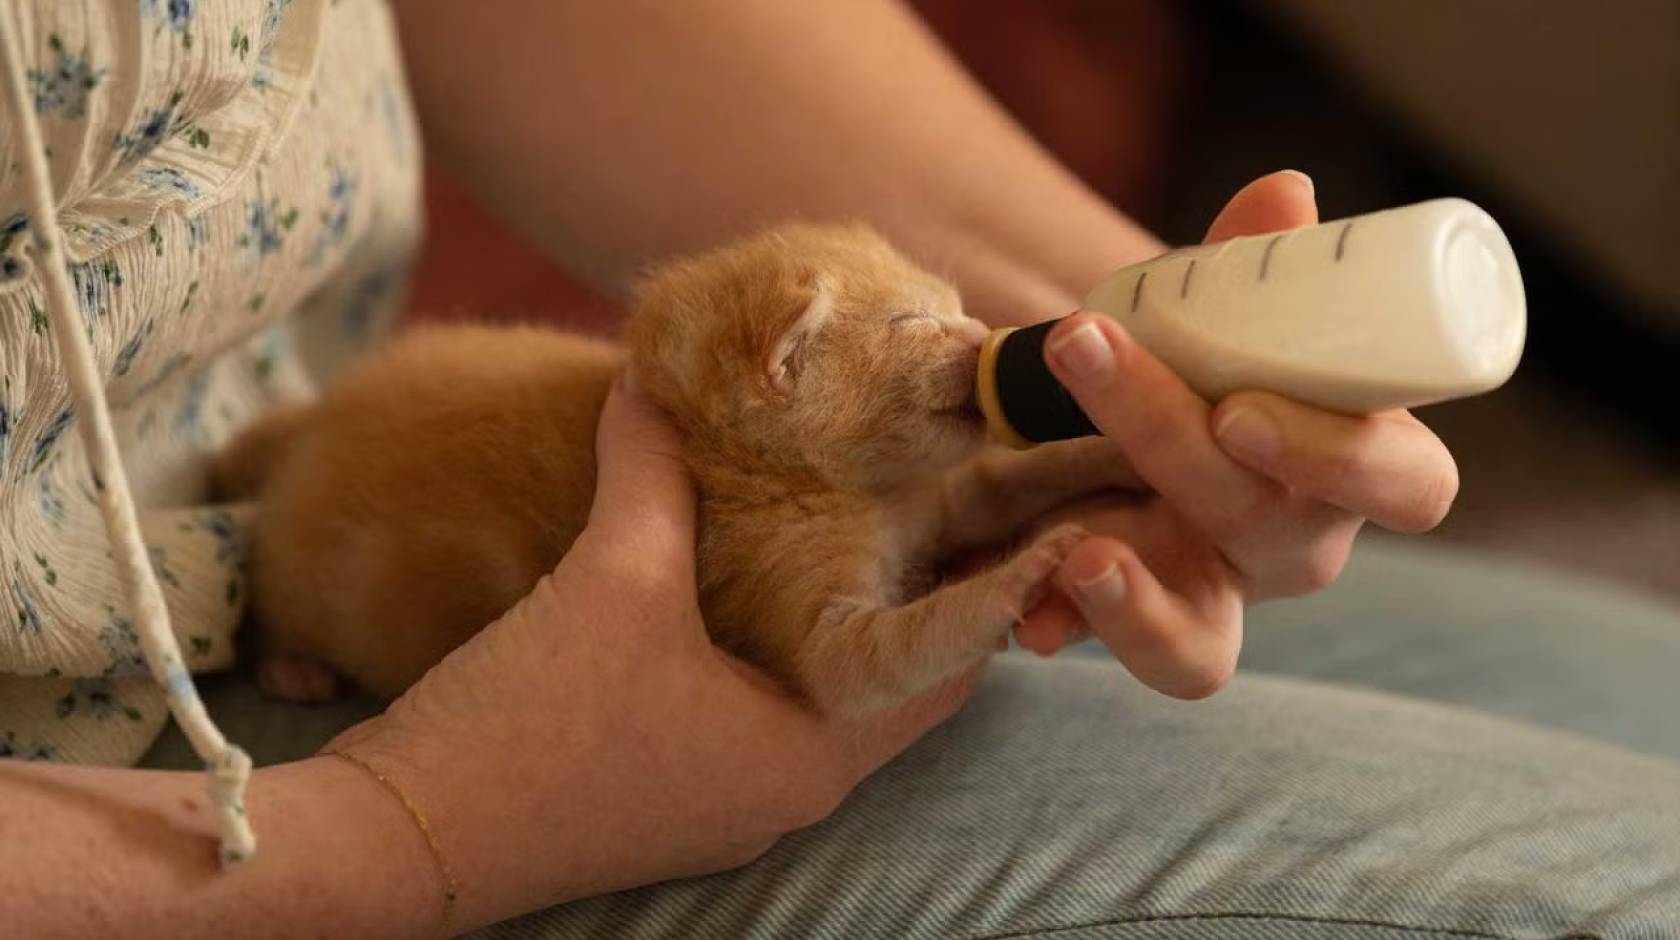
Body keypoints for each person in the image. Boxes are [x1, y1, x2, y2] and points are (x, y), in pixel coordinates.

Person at [2, 2, 1675, 938]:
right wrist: (405, 831)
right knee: (1618, 892)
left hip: (260, 445)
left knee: (1648, 695)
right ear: (774, 371)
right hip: (179, 787)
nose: (954, 350)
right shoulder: (767, 481)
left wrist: (1140, 341)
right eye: (904, 339)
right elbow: (844, 639)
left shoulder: (815, 404)